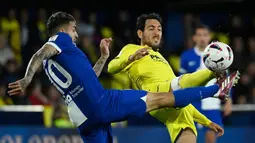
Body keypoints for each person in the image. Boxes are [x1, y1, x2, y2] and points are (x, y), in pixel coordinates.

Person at [8, 11, 230, 143]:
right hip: (103, 103)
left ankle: (214, 86)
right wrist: (27, 79)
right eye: (75, 29)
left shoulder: (57, 61)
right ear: (66, 29)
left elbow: (90, 79)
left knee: (172, 97)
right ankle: (216, 88)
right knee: (165, 96)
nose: (76, 34)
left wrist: (103, 57)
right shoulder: (60, 41)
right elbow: (41, 52)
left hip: (81, 115)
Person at [108, 13, 239, 143]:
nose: (157, 32)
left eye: (159, 29)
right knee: (180, 82)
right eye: (151, 28)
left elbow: (182, 99)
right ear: (140, 33)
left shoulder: (161, 58)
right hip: (155, 93)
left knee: (187, 130)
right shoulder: (131, 49)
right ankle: (215, 81)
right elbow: (111, 67)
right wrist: (131, 58)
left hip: (176, 107)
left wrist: (207, 122)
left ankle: (216, 81)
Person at [180, 23, 233, 143]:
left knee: (210, 139)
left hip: (211, 104)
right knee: (188, 137)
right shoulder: (186, 56)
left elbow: (226, 80)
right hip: (192, 103)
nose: (202, 38)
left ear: (209, 37)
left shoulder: (219, 55)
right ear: (194, 38)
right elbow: (180, 80)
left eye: (205, 35)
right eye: (199, 35)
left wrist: (229, 100)